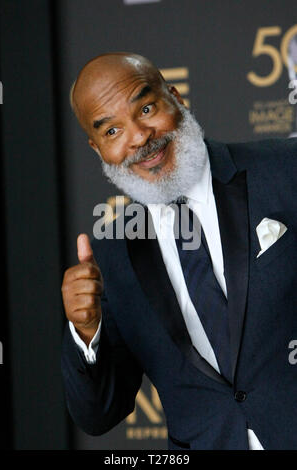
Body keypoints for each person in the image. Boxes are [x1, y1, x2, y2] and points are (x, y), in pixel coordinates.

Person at [61, 52, 297, 450]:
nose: (138, 137)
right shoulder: (111, 256)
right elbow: (99, 415)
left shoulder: (285, 168)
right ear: (98, 149)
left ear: (175, 98)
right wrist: (85, 334)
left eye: (147, 108)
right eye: (112, 132)